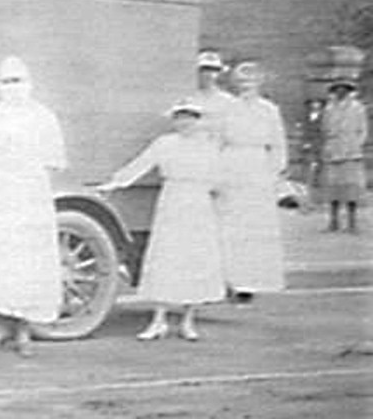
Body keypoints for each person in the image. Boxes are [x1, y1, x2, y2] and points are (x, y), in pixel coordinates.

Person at [0, 56, 64, 358]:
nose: (12, 88)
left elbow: (54, 159)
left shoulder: (43, 116)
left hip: (28, 194)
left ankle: (23, 329)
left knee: (26, 258)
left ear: (29, 83)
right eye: (6, 82)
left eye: (18, 81)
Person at [100, 98, 225, 341]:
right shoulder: (165, 144)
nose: (185, 122)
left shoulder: (209, 147)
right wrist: (116, 182)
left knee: (195, 258)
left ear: (199, 120)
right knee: (167, 256)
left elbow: (219, 180)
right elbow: (140, 165)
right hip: (172, 201)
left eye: (190, 117)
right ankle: (159, 319)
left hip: (199, 204)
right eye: (180, 117)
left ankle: (188, 320)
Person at [217, 60, 287, 304]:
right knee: (231, 227)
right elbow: (218, 141)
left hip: (257, 169)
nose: (246, 86)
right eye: (242, 82)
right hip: (231, 166)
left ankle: (252, 281)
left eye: (251, 81)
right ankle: (229, 281)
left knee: (255, 228)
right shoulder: (227, 109)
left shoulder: (269, 110)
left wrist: (273, 174)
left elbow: (278, 145)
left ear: (260, 83)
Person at [318, 77, 366, 233]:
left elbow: (363, 130)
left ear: (348, 91)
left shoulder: (357, 108)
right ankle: (333, 222)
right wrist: (328, 146)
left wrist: (356, 145)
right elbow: (324, 129)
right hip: (333, 152)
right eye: (337, 88)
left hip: (351, 153)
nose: (340, 91)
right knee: (333, 188)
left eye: (343, 88)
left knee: (351, 188)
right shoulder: (329, 109)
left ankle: (352, 223)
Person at [194, 50, 236, 141]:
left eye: (213, 70)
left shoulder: (229, 101)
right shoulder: (185, 99)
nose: (208, 74)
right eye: (204, 70)